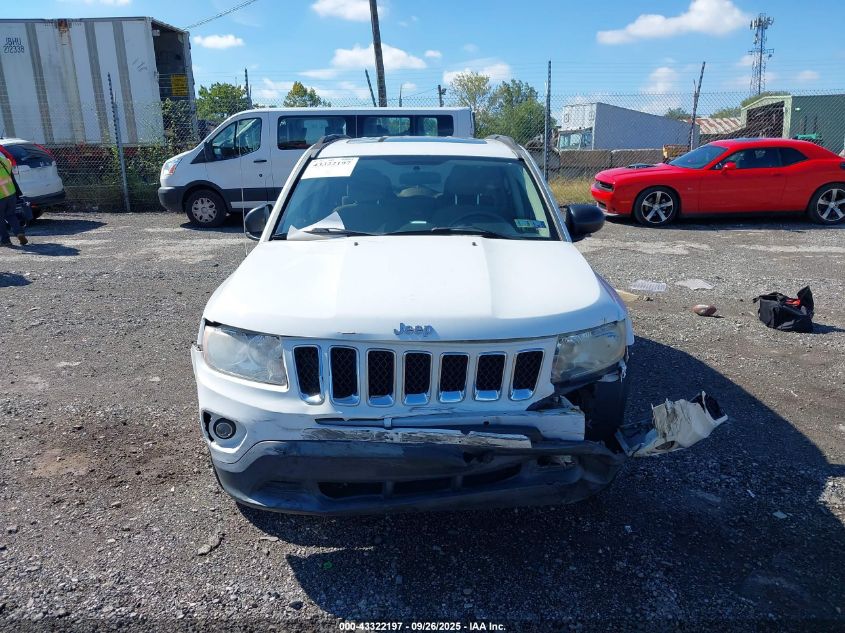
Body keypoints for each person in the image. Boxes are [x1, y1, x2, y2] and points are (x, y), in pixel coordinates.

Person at [0, 151, 27, 247]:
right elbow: (12, 177)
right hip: (11, 193)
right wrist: (18, 192)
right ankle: (19, 233)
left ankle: (5, 240)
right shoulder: (5, 162)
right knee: (11, 215)